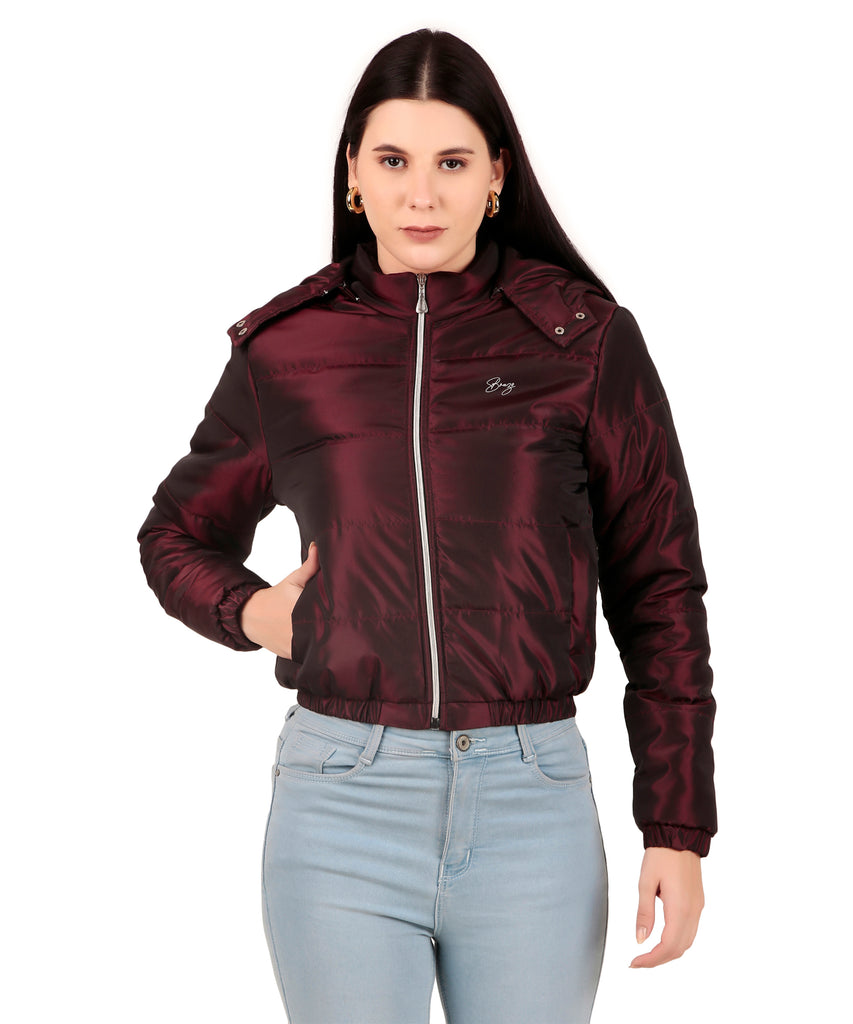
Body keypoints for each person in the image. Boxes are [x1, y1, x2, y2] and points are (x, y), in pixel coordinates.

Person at [138, 27, 716, 1024]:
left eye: (451, 163)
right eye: (392, 161)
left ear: (496, 177)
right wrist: (253, 614)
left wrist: (675, 823)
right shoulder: (288, 350)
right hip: (341, 801)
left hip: (531, 798)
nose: (420, 195)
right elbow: (173, 534)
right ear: (352, 175)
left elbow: (658, 587)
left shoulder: (581, 342)